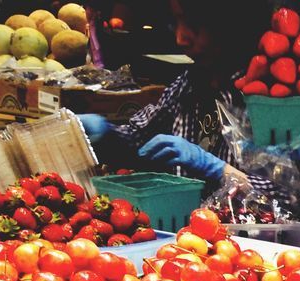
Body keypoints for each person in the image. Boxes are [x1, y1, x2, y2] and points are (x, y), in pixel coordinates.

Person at [77, 0, 262, 188]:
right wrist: (108, 134)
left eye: (193, 25)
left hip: (229, 217)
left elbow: (286, 196)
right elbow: (140, 135)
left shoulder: (262, 99)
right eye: (176, 23)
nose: (180, 39)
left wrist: (220, 170)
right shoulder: (189, 84)